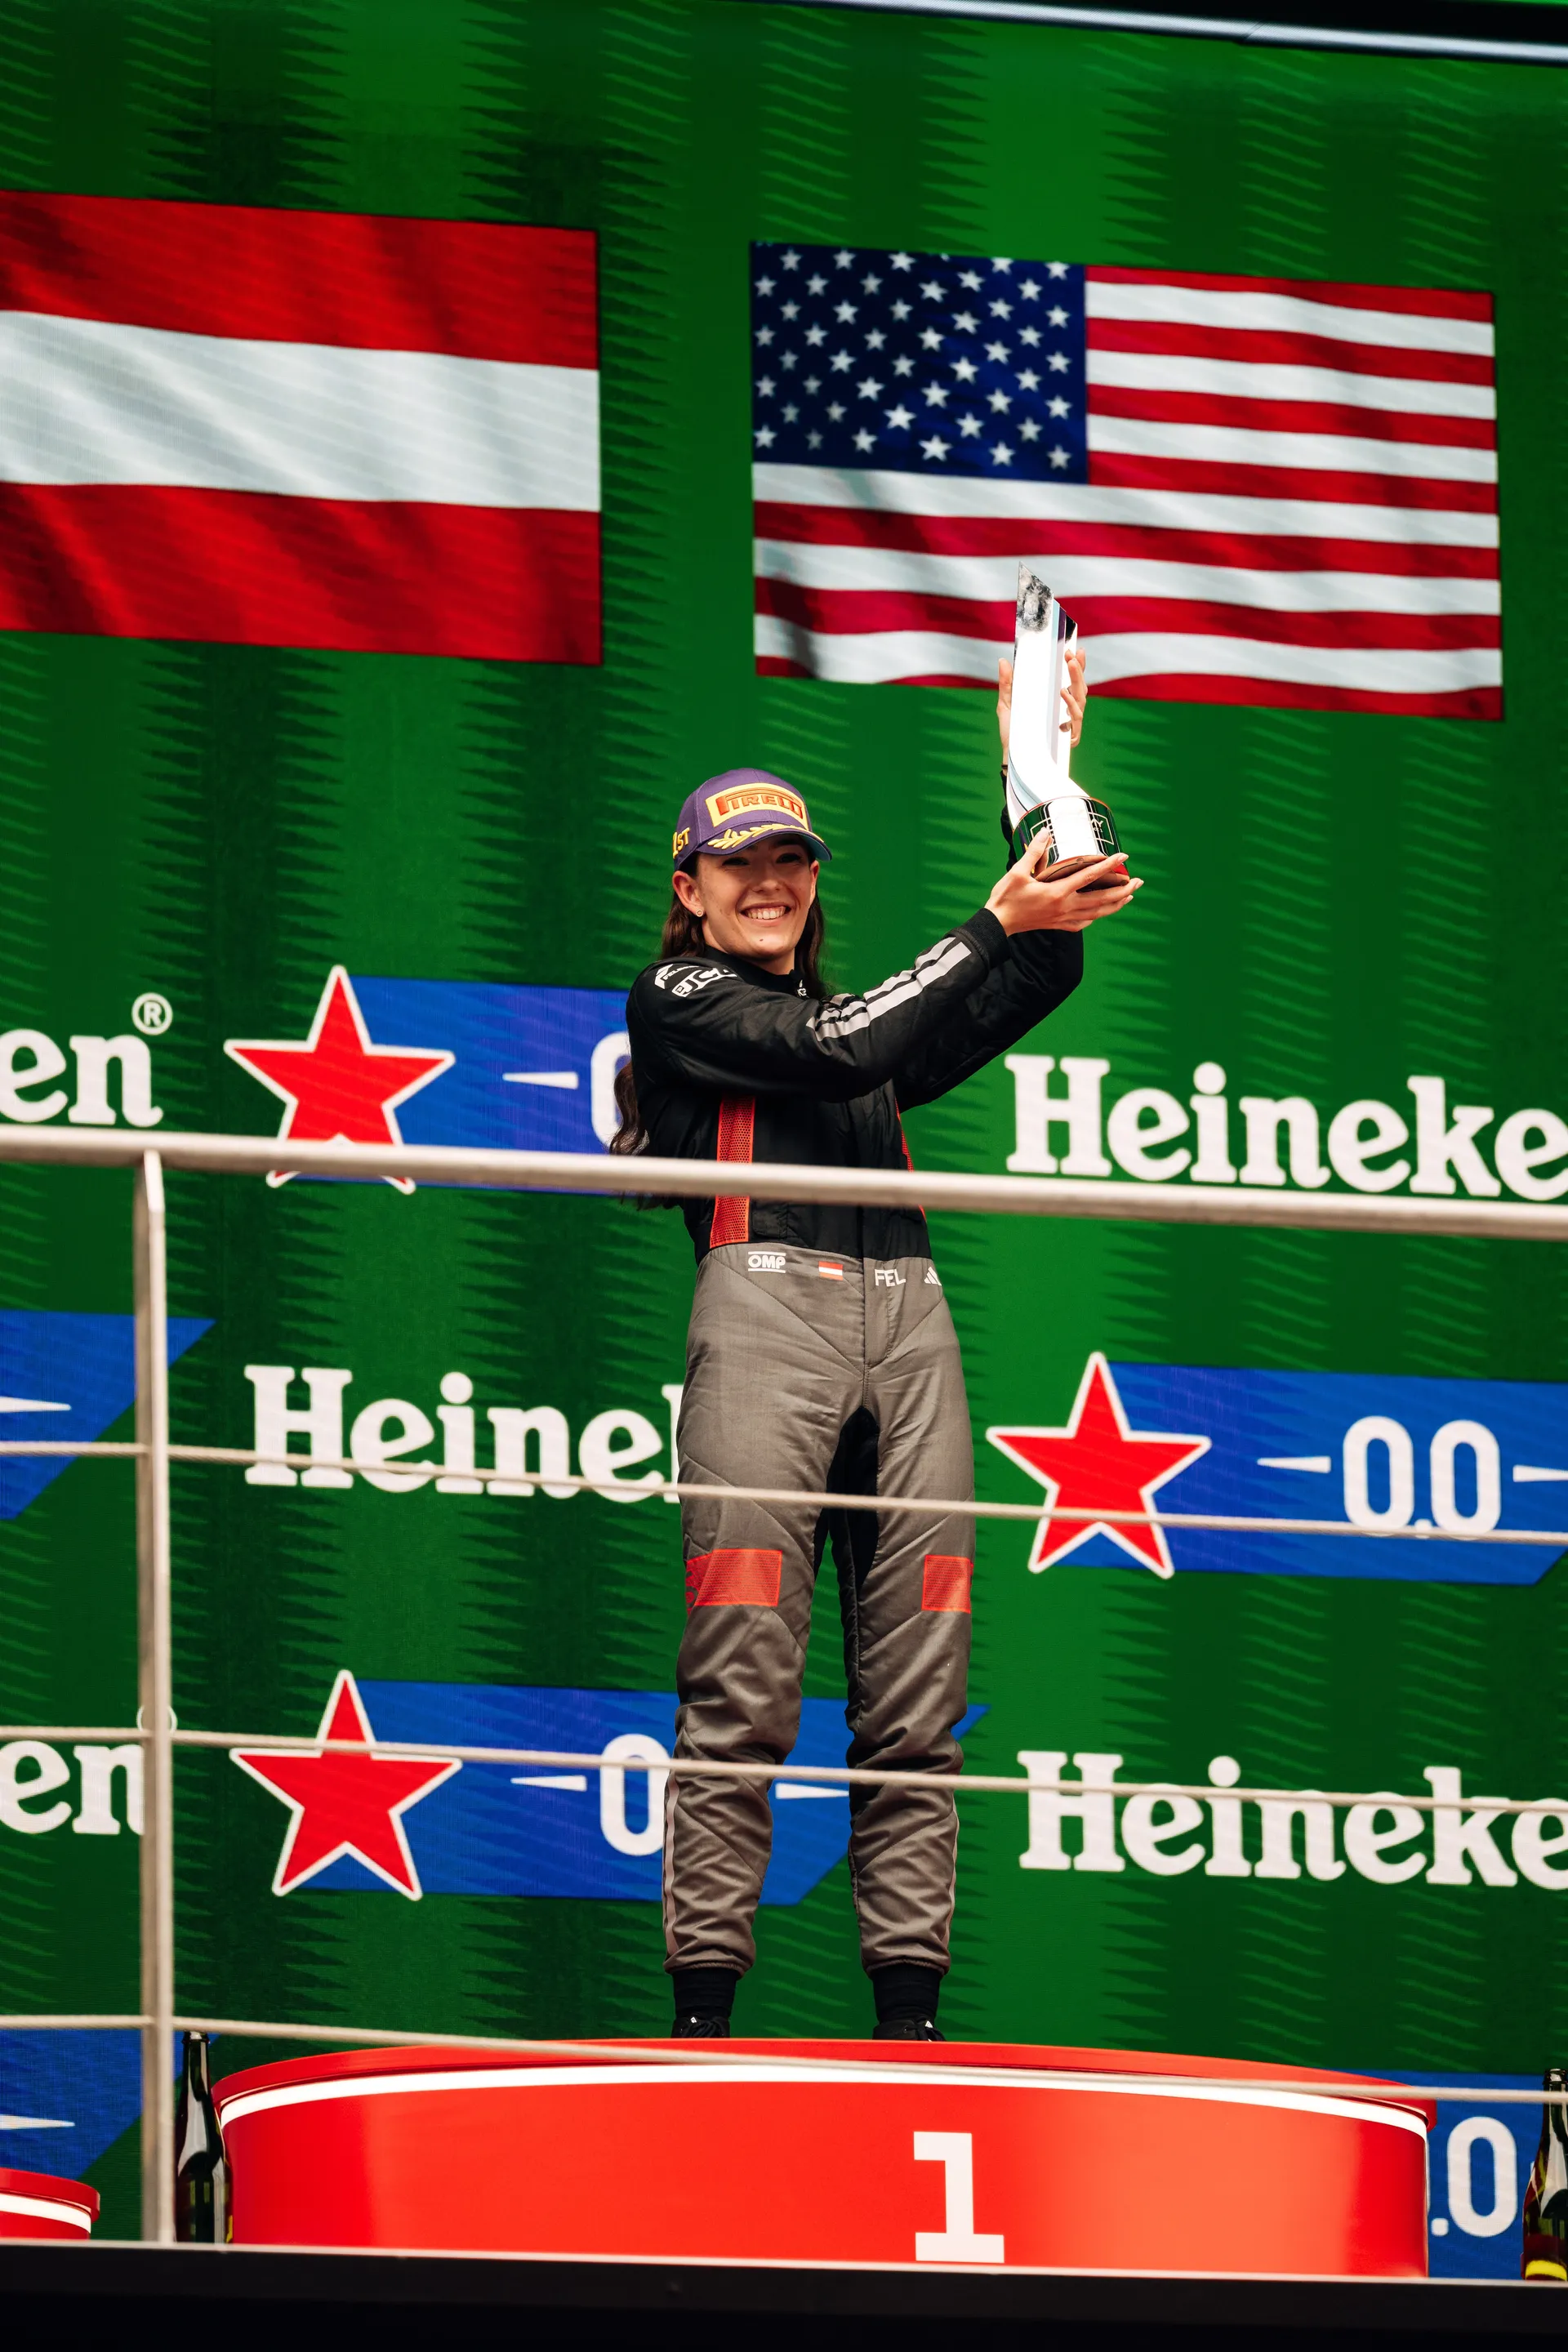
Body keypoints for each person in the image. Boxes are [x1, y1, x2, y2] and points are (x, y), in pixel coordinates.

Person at [612, 655, 1138, 2040]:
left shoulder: (855, 1026)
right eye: (740, 866)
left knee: (921, 1695)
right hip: (764, 1318)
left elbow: (1038, 970)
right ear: (691, 888)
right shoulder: (677, 1004)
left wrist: (1043, 801)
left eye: (788, 860)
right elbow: (844, 1047)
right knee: (743, 1683)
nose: (768, 883)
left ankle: (908, 2019)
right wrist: (986, 918)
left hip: (913, 1328)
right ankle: (704, 2022)